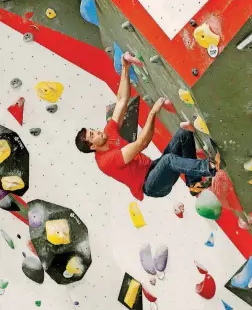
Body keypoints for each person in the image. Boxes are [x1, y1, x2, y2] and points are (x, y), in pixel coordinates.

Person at [75, 53, 218, 200]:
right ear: (92, 147)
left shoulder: (108, 133)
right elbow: (142, 143)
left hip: (154, 167)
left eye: (93, 130)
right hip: (151, 186)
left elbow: (121, 101)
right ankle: (209, 167)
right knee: (168, 160)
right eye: (93, 135)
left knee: (184, 133)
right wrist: (153, 112)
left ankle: (194, 183)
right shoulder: (106, 162)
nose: (97, 132)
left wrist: (125, 67)